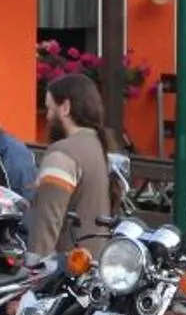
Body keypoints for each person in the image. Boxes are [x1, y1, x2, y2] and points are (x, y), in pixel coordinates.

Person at [28, 72, 120, 257]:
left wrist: (34, 267)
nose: (47, 116)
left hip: (64, 272)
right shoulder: (103, 148)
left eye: (49, 108)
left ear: (66, 107)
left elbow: (47, 222)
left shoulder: (62, 153)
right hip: (95, 268)